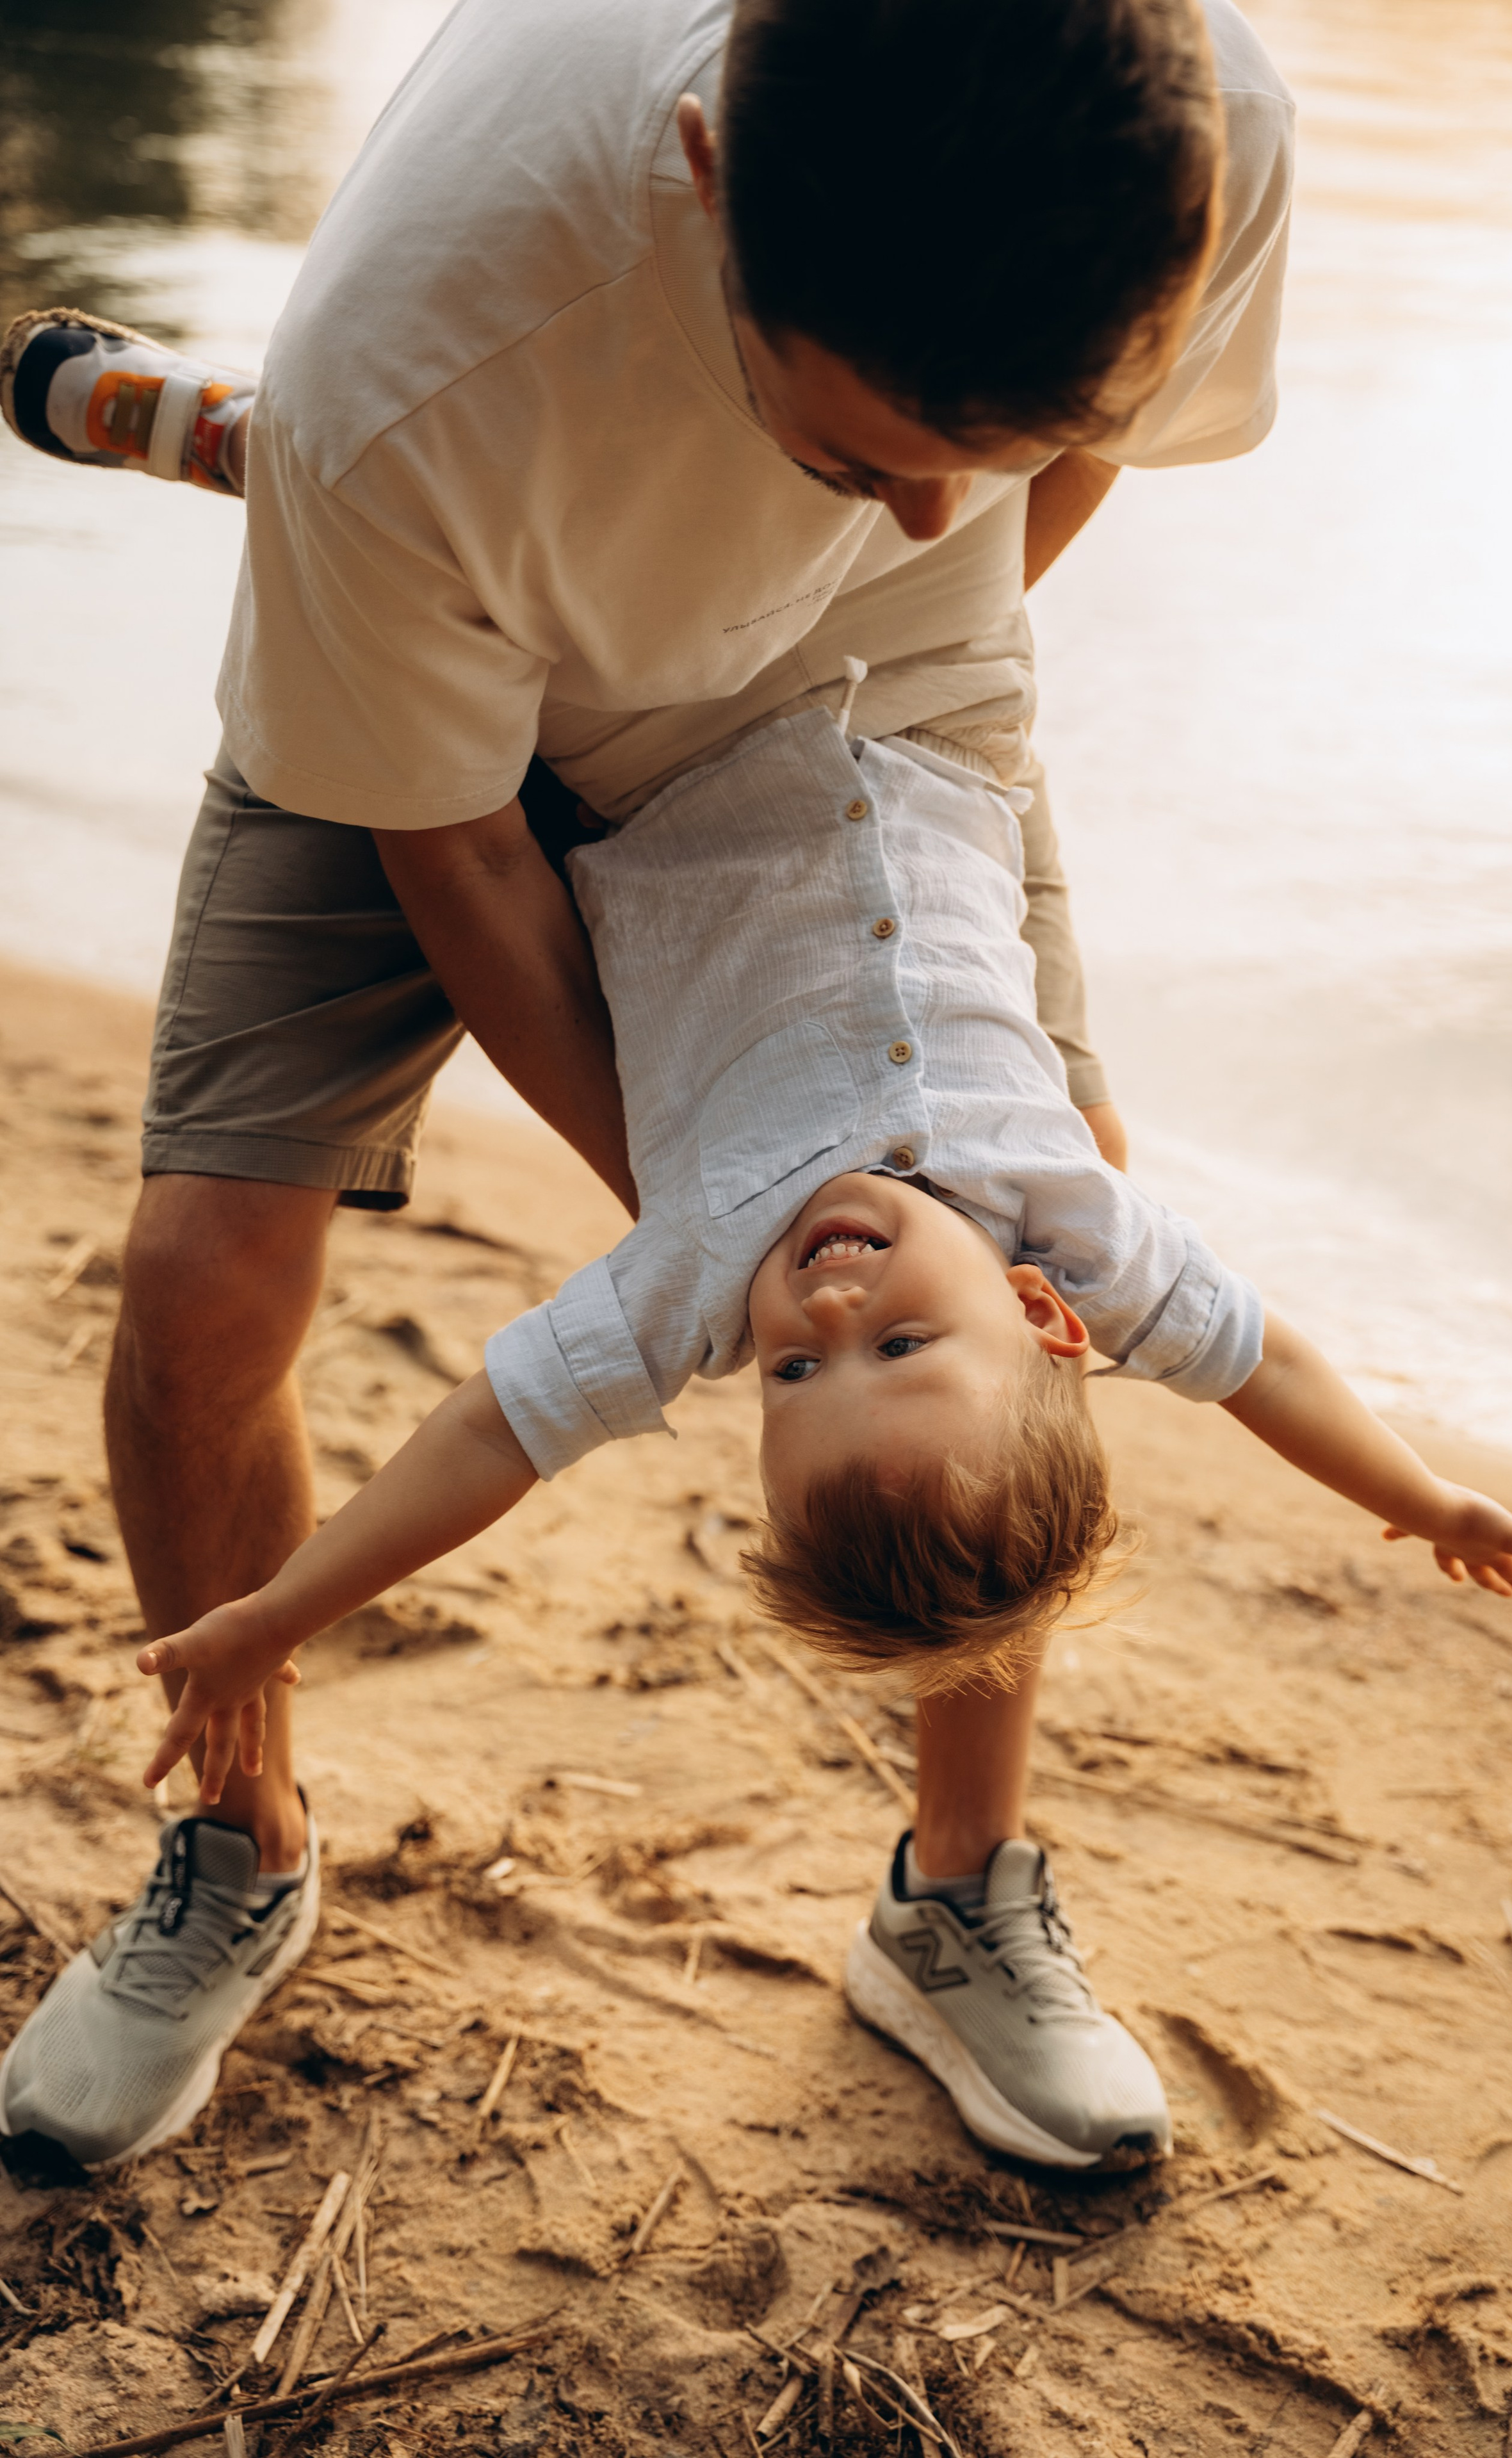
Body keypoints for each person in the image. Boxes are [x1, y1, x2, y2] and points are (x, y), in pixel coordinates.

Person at [0, 0, 1303, 2169]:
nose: (921, 503)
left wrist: (860, 572)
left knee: (1036, 1225)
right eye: (858, 446)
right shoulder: (418, 378)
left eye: (969, 445)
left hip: (842, 686)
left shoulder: (1197, 134)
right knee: (207, 1273)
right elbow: (461, 843)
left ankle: (956, 1901)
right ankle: (239, 1839)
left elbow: (994, 486)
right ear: (705, 177)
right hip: (434, 645)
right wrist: (723, 1202)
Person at [0, 707, 1512, 2176]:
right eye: (890, 1340)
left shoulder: (695, 1270)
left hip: (687, 750)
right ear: (1050, 1310)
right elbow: (1259, 1358)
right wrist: (1420, 1493)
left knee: (974, 1456)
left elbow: (479, 1441)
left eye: (798, 1373)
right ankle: (238, 1852)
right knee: (979, 1429)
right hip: (908, 753)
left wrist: (281, 1613)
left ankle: (953, 1891)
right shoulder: (1078, 1229)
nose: (826, 1300)